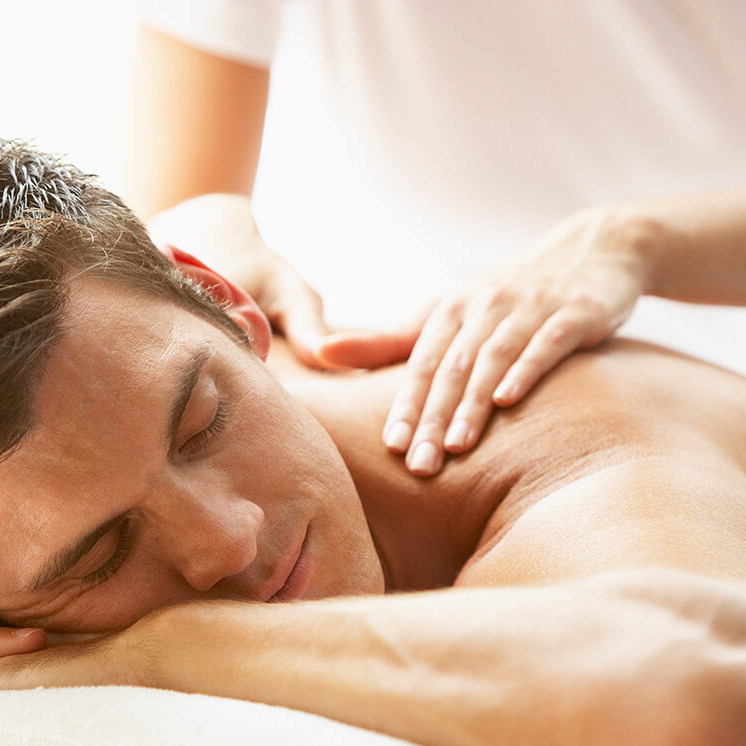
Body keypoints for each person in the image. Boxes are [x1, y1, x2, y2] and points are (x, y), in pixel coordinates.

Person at [0, 133, 746, 746]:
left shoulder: (575, 455)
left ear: (223, 303)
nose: (228, 540)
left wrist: (172, 645)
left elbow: (709, 740)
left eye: (202, 422)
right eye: (99, 554)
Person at [129, 0, 746, 476]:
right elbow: (177, 203)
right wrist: (209, 232)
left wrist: (632, 241)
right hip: (398, 377)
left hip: (689, 372)